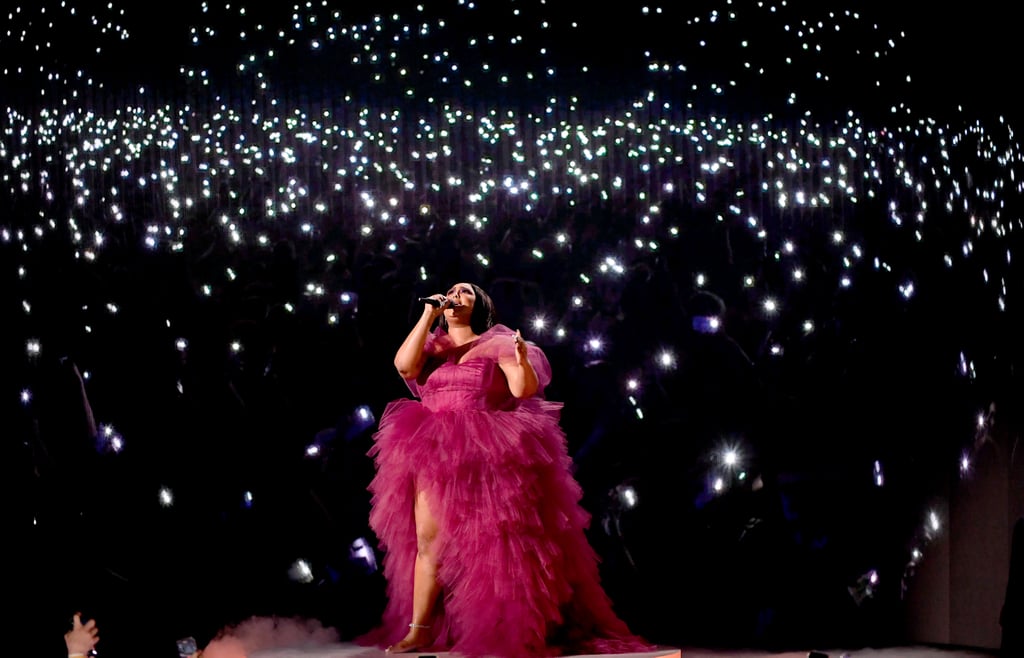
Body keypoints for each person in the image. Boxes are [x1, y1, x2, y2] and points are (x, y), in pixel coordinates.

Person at [356, 282, 653, 657]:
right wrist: (428, 315)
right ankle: (419, 630)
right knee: (429, 541)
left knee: (493, 542)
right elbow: (403, 366)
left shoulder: (498, 342)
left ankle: (500, 626)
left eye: (465, 291)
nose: (454, 295)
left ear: (480, 304)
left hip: (487, 446)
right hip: (432, 446)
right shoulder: (433, 346)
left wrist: (522, 358)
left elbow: (522, 390)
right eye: (451, 291)